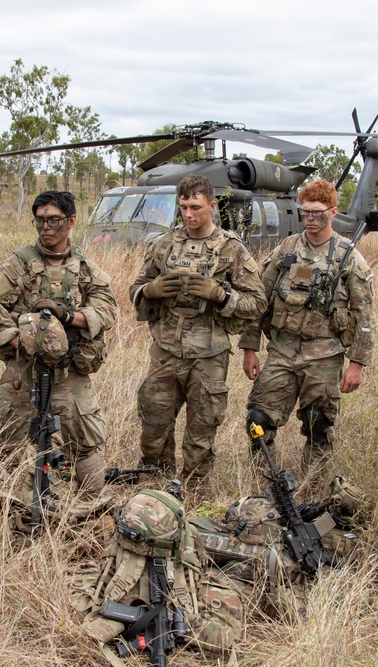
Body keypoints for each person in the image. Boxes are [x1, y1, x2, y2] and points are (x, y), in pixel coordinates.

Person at [130, 174, 266, 487]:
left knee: (200, 436)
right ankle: (156, 491)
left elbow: (258, 302)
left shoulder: (232, 250)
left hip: (209, 356)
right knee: (153, 426)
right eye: (183, 207)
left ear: (212, 206)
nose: (189, 215)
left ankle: (194, 498)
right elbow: (135, 288)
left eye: (196, 207)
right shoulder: (164, 245)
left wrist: (221, 295)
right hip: (165, 352)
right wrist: (152, 289)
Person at [0, 190, 116, 496]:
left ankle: (88, 509)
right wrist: (24, 340)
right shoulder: (19, 264)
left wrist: (67, 317)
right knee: (7, 444)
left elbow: (107, 310)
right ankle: (10, 507)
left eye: (53, 220)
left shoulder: (85, 269)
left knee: (85, 444)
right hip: (24, 370)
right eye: (40, 220)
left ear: (71, 222)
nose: (46, 227)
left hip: (71, 373)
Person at [240, 179, 373, 473]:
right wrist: (250, 349)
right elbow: (259, 300)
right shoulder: (286, 249)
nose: (310, 218)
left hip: (324, 356)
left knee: (318, 424)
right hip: (282, 352)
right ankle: (266, 485)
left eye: (317, 212)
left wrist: (357, 364)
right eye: (305, 212)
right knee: (258, 421)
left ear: (333, 212)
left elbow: (364, 316)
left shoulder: (349, 258)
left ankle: (311, 490)